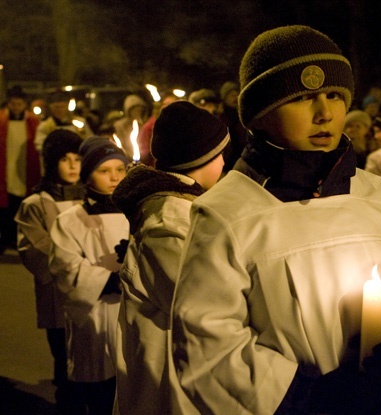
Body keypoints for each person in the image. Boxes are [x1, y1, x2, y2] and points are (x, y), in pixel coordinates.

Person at [170, 25, 381, 415]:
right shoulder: (227, 212)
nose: (325, 113)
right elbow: (206, 340)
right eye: (302, 98)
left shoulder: (372, 192)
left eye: (334, 95)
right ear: (260, 115)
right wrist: (309, 396)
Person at [111, 101, 230, 415]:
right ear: (202, 157)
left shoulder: (180, 207)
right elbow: (199, 299)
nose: (223, 162)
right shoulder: (169, 222)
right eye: (219, 154)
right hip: (166, 375)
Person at [49, 136, 129, 414]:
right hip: (93, 317)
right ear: (88, 174)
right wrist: (109, 279)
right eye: (104, 171)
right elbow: (65, 266)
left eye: (120, 170)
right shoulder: (69, 220)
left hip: (130, 314)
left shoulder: (138, 215)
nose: (114, 177)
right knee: (99, 394)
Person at [14, 129, 85, 412]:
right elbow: (35, 249)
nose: (72, 166)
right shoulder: (36, 204)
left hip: (93, 295)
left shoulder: (91, 199)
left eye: (77, 159)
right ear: (51, 162)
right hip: (58, 296)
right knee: (63, 360)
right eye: (64, 159)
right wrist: (78, 264)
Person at [0, 85, 41, 252]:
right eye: (13, 104)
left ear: (24, 104)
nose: (16, 107)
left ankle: (18, 238)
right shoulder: (2, 120)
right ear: (8, 104)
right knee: (5, 206)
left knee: (20, 204)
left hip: (25, 167)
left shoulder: (33, 121)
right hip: (6, 165)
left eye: (19, 104)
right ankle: (6, 238)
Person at [218, 80, 247, 172]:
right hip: (227, 162)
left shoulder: (243, 115)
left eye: (237, 94)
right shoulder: (221, 117)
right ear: (225, 97)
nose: (235, 97)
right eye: (231, 95)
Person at [113, 94, 149, 160]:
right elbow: (120, 144)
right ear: (129, 111)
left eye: (140, 110)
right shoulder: (120, 125)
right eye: (135, 110)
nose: (138, 112)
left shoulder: (145, 125)